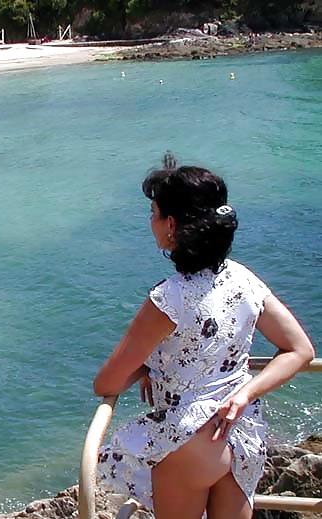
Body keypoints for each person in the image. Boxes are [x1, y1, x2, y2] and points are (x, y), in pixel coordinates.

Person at [93, 153, 315, 519]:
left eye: (154, 213)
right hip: (241, 432)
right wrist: (245, 393)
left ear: (172, 225)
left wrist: (147, 365)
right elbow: (300, 349)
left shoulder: (168, 299)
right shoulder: (244, 279)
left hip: (189, 440)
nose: (150, 221)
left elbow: (106, 381)